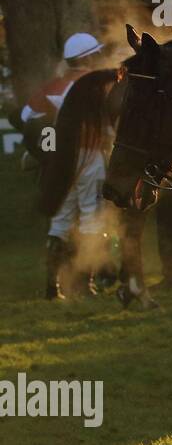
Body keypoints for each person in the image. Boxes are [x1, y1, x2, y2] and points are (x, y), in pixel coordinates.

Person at [22, 33, 106, 299]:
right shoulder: (95, 84)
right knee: (91, 218)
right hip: (90, 155)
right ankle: (85, 284)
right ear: (87, 57)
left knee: (59, 222)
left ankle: (52, 288)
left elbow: (27, 116)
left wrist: (44, 149)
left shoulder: (53, 86)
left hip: (61, 159)